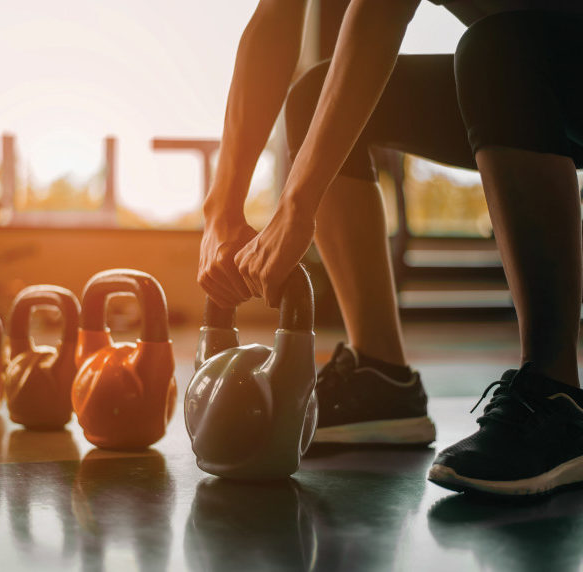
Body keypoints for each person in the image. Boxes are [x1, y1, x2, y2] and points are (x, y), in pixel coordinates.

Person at [198, 0, 583, 496]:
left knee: (499, 49)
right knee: (315, 96)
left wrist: (297, 206)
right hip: (534, 76)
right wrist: (221, 212)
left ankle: (557, 396)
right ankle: (382, 379)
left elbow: (380, 10)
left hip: (537, 62)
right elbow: (275, 19)